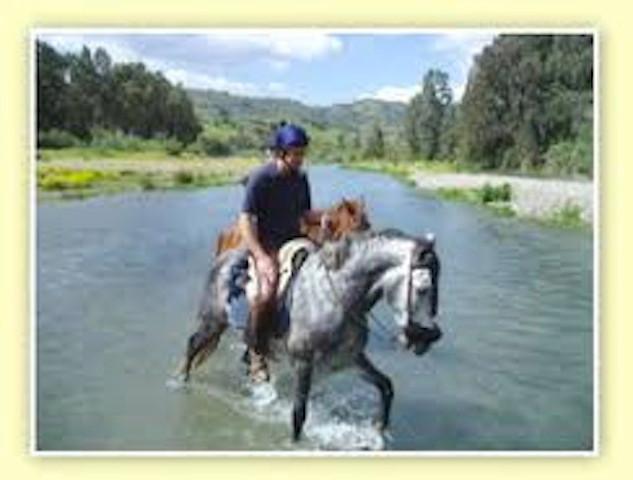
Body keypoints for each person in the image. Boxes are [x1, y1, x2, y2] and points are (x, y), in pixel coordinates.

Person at [238, 123, 331, 382]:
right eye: (295, 154)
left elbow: (305, 214)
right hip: (266, 244)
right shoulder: (261, 178)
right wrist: (260, 257)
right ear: (281, 153)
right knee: (266, 292)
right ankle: (256, 353)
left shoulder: (301, 178)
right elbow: (246, 220)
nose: (300, 159)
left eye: (303, 153)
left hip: (294, 240)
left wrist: (325, 217)